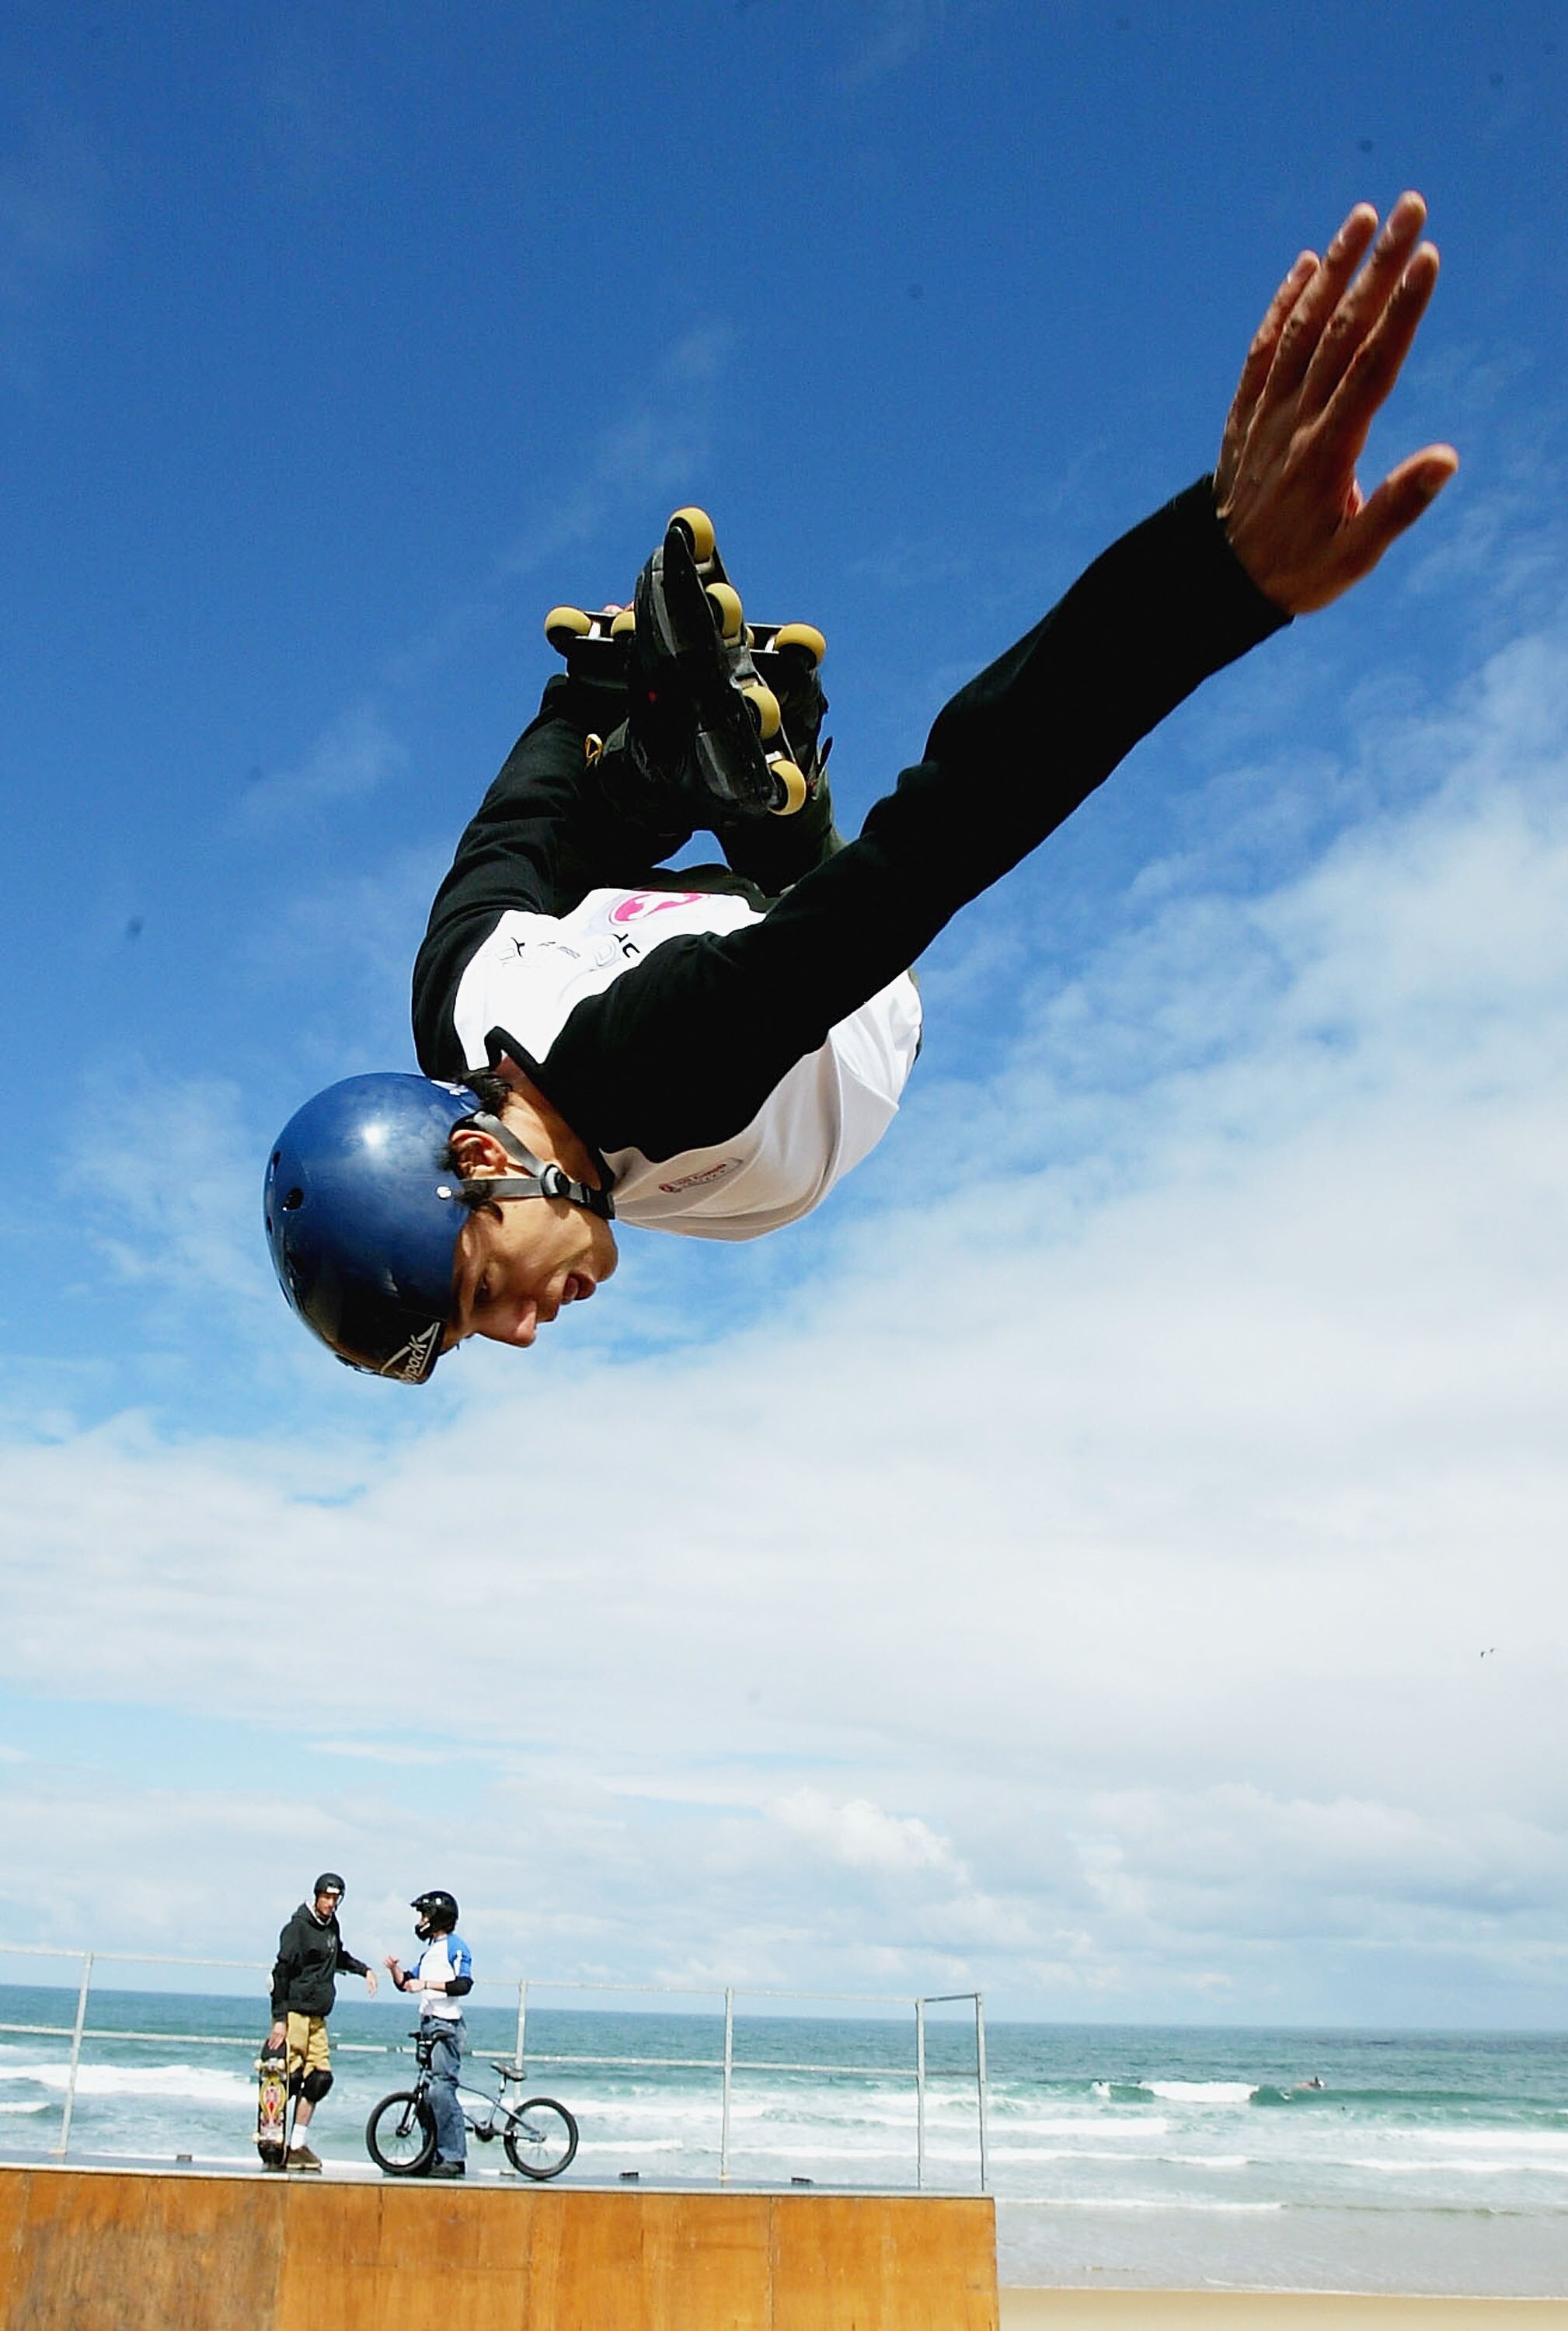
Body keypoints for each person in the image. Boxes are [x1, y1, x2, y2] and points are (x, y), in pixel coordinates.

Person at [264, 195, 1458, 1384]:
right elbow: (520, 815)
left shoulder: (656, 1065)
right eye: (478, 1330)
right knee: (579, 817)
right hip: (686, 942)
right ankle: (697, 775)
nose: (521, 1330)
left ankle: (732, 798)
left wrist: (1213, 574)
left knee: (796, 913)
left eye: (482, 1295)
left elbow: (951, 827)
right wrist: (587, 692)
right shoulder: (454, 993)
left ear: (480, 1160)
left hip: (848, 1021)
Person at [266, 1871, 378, 2171]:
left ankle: (297, 2145)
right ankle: (274, 2140)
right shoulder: (297, 1928)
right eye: (326, 1897)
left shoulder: (332, 1926)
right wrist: (279, 2020)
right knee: (287, 2079)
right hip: (295, 2014)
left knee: (320, 2079)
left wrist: (364, 1970)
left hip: (318, 2017)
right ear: (316, 1896)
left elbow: (338, 1956)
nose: (331, 1903)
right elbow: (281, 1974)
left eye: (335, 1899)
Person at [384, 1890, 474, 2176]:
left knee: (442, 2090)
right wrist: (396, 1971)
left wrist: (425, 1985)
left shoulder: (455, 1947)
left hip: (446, 2024)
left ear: (438, 1918)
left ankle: (453, 2157)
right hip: (427, 2024)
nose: (421, 1920)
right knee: (425, 2092)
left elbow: (463, 1985)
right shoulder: (430, 1952)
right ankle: (429, 2155)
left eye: (425, 1914)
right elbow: (407, 1982)